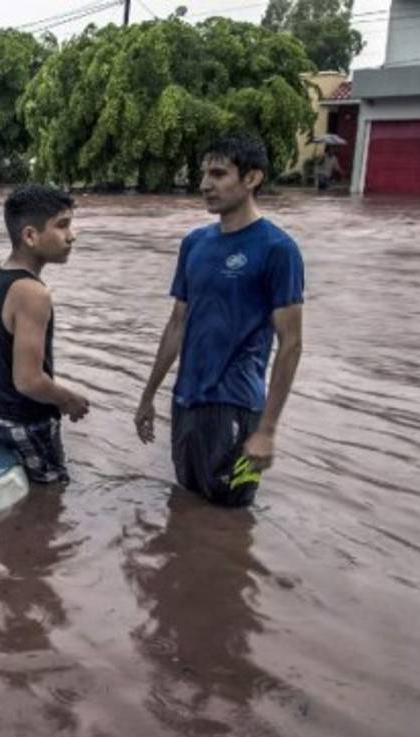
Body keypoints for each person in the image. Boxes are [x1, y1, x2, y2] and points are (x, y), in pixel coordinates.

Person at [134, 134, 304, 507]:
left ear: (252, 179)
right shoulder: (195, 243)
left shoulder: (278, 249)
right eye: (203, 174)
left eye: (218, 173)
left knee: (232, 517)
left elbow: (290, 343)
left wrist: (267, 430)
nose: (205, 185)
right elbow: (177, 323)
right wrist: (148, 397)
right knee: (187, 506)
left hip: (237, 407)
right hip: (187, 401)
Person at [0, 185, 90, 485]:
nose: (71, 235)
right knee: (51, 503)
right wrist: (69, 399)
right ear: (30, 236)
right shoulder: (33, 293)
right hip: (24, 422)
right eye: (62, 225)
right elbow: (28, 381)